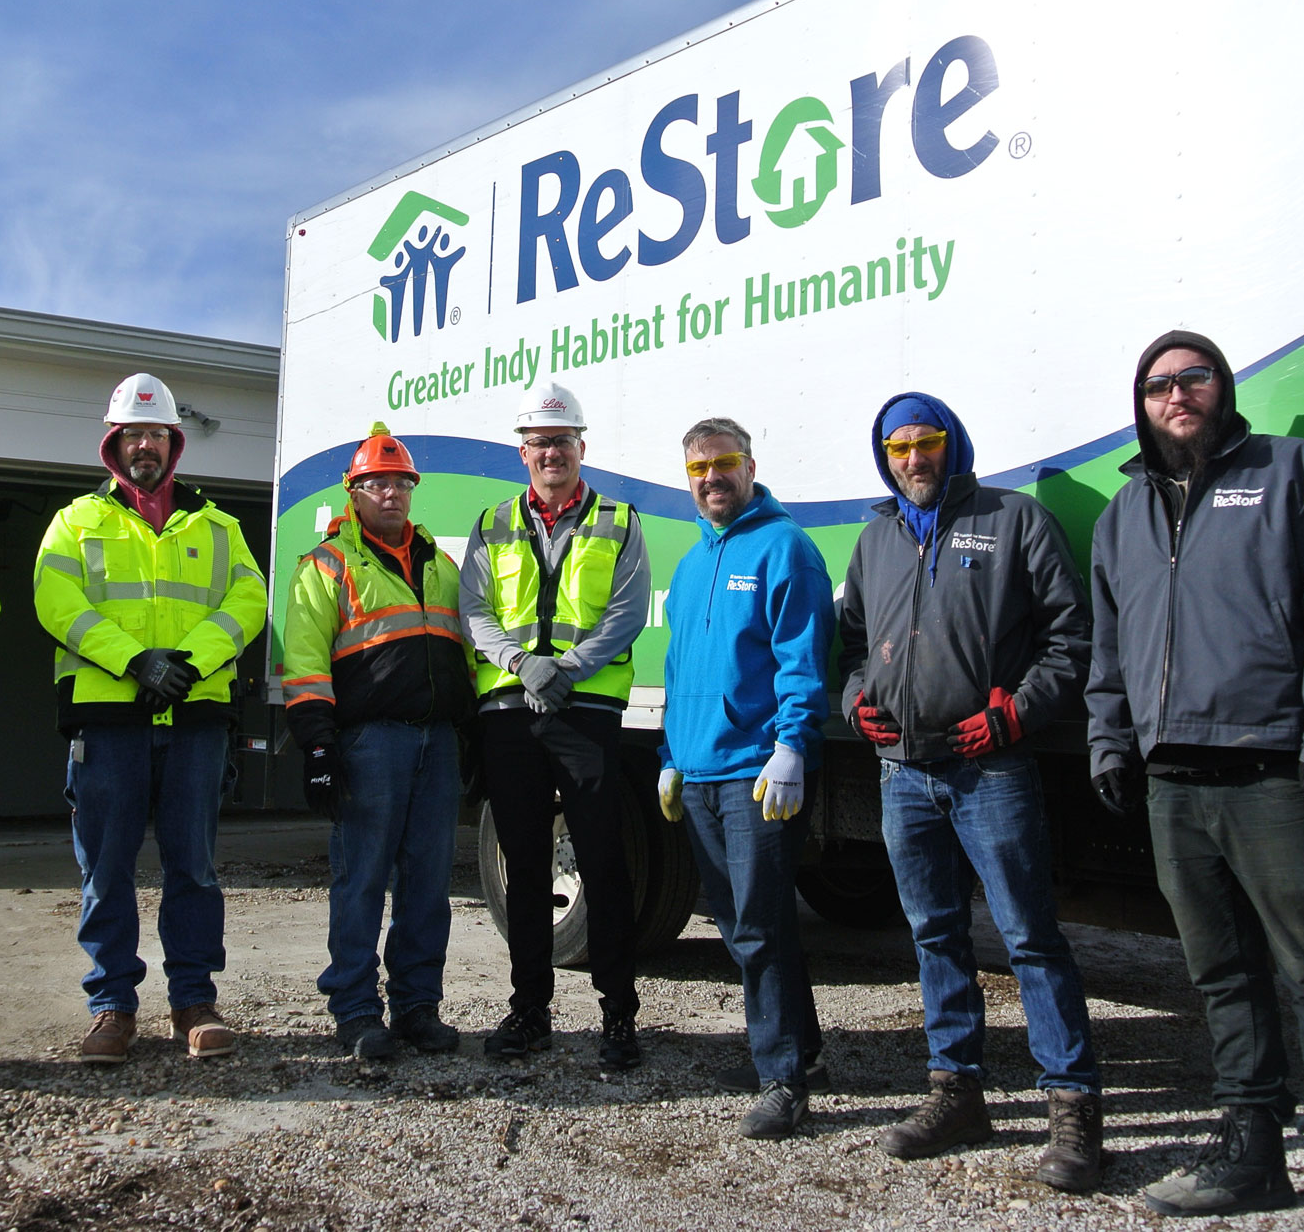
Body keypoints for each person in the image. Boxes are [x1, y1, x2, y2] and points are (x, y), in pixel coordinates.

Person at [1086, 332, 1304, 1232]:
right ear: (1140, 402)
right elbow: (1110, 652)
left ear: (1222, 387)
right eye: (1158, 384)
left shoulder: (1294, 473)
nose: (1177, 394)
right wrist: (1112, 744)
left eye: (1194, 378)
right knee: (1220, 973)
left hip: (1274, 771)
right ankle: (1251, 1148)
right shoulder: (1123, 515)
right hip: (1171, 780)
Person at [838, 392, 1104, 1191]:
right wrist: (856, 703)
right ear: (883, 456)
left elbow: (1071, 637)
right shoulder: (877, 537)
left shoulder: (1013, 520)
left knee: (1029, 937)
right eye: (897, 447)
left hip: (990, 769)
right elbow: (850, 645)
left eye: (926, 441)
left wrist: (1017, 715)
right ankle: (957, 1093)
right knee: (934, 934)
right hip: (903, 773)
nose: (913, 458)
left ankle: (1075, 1110)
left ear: (953, 443)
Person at [34, 373, 266, 1066]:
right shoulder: (76, 522)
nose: (144, 445)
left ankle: (193, 1001)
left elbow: (248, 599)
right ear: (113, 444)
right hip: (108, 719)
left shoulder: (218, 526)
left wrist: (188, 662)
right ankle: (112, 1006)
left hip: (194, 718)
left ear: (175, 443)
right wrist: (136, 661)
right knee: (106, 867)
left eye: (155, 434)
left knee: (192, 865)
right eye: (131, 434)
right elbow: (56, 600)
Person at [458, 382, 649, 1067]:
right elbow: (473, 609)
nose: (551, 453)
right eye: (539, 443)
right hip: (510, 713)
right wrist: (518, 662)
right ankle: (530, 1010)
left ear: (581, 447)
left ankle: (619, 1016)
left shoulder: (620, 520)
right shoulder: (492, 522)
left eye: (561, 441)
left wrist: (565, 665)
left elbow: (628, 610)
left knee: (604, 862)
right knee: (526, 870)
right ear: (523, 453)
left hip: (585, 712)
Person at [657, 417, 832, 1138]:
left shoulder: (784, 546)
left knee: (759, 923)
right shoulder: (693, 560)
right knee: (738, 922)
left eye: (723, 463)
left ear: (750, 464)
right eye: (697, 468)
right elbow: (676, 665)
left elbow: (802, 656)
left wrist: (792, 745)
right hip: (698, 769)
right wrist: (670, 753)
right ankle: (802, 1053)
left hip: (756, 772)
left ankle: (784, 1078)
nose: (710, 478)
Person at [282, 423, 473, 1061]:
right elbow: (305, 665)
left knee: (428, 883)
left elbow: (465, 657)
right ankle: (358, 1010)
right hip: (370, 745)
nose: (389, 492)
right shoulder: (326, 566)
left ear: (412, 490)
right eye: (375, 483)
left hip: (436, 743)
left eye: (399, 482)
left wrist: (469, 734)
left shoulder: (442, 566)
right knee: (361, 879)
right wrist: (317, 748)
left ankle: (418, 1006)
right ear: (353, 493)